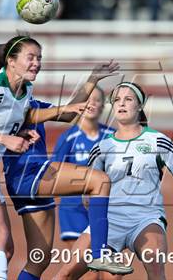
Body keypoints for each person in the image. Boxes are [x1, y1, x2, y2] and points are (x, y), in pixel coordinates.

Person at [0, 35, 131, 280]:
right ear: (11, 61)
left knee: (21, 253)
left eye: (39, 58)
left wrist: (92, 80)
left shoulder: (24, 91)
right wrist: (8, 139)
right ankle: (99, 252)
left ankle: (98, 251)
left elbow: (55, 115)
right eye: (30, 57)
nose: (36, 63)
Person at [55, 82, 173, 280]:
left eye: (128, 99)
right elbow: (89, 184)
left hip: (146, 218)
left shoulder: (157, 140)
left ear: (139, 106)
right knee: (66, 274)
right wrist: (87, 197)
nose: (121, 104)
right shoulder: (103, 147)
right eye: (117, 100)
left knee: (155, 266)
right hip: (108, 220)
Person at [51, 87, 114, 280]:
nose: (91, 104)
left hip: (105, 211)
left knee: (112, 273)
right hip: (74, 211)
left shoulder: (112, 136)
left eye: (97, 100)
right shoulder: (69, 138)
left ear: (103, 105)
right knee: (89, 274)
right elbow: (54, 173)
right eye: (87, 99)